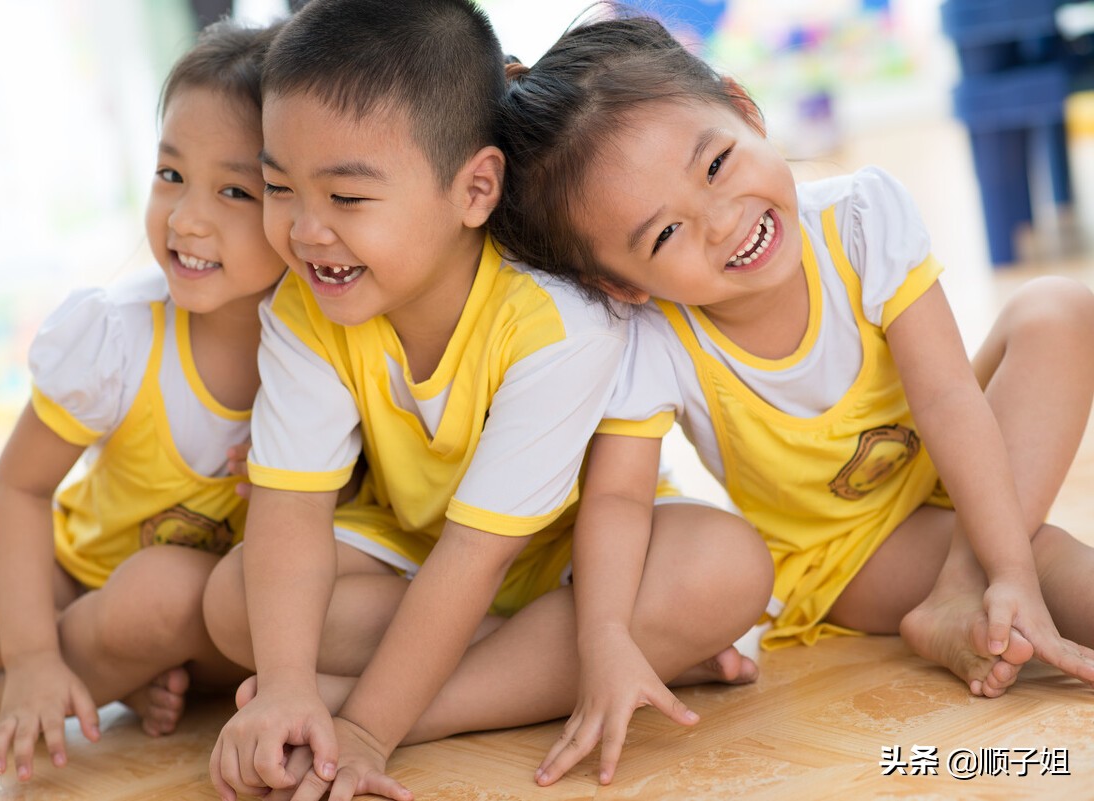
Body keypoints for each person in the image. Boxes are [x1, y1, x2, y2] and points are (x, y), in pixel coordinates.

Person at [201, 1, 773, 799]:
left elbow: (480, 553)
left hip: (576, 568)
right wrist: (290, 684)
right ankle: (563, 666)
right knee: (236, 601)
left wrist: (366, 731)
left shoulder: (558, 323)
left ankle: (435, 698)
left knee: (726, 566)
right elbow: (291, 512)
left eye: (348, 199)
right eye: (277, 187)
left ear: (475, 189)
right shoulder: (305, 309)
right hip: (415, 553)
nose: (305, 231)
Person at [489, 9, 1094, 730]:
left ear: (744, 107)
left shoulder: (861, 217)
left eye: (715, 164)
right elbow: (619, 500)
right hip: (850, 554)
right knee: (1058, 565)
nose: (721, 221)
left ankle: (965, 582)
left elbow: (948, 396)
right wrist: (607, 638)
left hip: (966, 468)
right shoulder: (654, 335)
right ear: (623, 284)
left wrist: (1005, 571)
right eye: (667, 233)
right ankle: (970, 579)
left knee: (1058, 309)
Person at [0, 19, 287, 783]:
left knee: (159, 597)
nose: (186, 218)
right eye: (170, 174)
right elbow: (20, 485)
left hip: (194, 619)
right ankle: (69, 671)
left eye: (234, 189)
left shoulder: (330, 350)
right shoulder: (118, 335)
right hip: (72, 572)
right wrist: (34, 654)